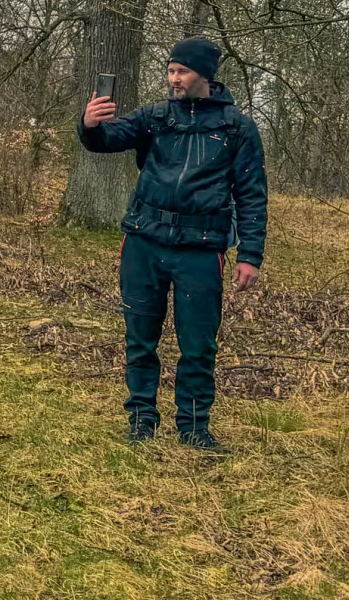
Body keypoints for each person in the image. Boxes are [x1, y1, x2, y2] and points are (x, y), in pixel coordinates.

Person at [80, 36, 267, 451]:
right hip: (144, 239)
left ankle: (195, 425)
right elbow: (110, 139)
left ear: (204, 75)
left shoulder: (237, 126)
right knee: (140, 335)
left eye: (181, 71)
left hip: (201, 248)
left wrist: (250, 254)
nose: (173, 78)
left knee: (198, 343)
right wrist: (90, 125)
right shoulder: (156, 116)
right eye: (169, 70)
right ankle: (141, 418)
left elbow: (252, 194)